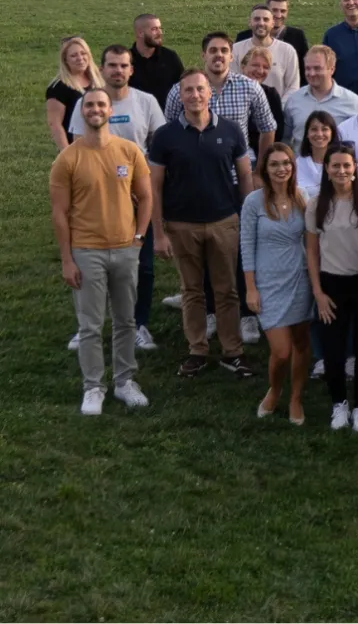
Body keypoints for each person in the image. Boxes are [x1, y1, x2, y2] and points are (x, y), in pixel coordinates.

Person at [50, 87, 153, 415]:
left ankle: (124, 382)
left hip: (125, 249)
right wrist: (67, 259)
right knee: (91, 326)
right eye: (89, 105)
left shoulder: (129, 150)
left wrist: (139, 238)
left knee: (125, 320)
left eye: (101, 105)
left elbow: (147, 197)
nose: (95, 110)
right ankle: (93, 387)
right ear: (81, 113)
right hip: (86, 251)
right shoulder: (68, 158)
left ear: (111, 111)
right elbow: (59, 213)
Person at [149, 69, 255, 379]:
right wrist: (159, 233)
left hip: (224, 221)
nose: (195, 95)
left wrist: (246, 218)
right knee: (192, 291)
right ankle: (197, 350)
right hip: (182, 226)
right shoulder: (165, 136)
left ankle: (232, 351)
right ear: (180, 96)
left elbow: (245, 176)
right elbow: (154, 186)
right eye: (188, 91)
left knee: (227, 290)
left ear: (210, 93)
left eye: (200, 89)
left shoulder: (232, 130)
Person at [66, 45, 164, 354]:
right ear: (103, 68)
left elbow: (157, 148)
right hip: (94, 200)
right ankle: (87, 327)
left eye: (123, 65)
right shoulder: (88, 103)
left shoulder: (145, 102)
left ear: (131, 70)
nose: (117, 70)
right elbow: (77, 149)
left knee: (141, 265)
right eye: (112, 65)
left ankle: (139, 325)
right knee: (90, 266)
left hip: (136, 198)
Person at [306, 144, 358, 433]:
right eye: (335, 166)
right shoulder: (316, 204)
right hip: (331, 284)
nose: (341, 171)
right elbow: (312, 252)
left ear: (355, 168)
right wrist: (318, 293)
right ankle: (339, 402)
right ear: (326, 169)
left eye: (346, 166)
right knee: (333, 350)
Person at [241, 144, 315, 425]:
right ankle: (275, 389)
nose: (281, 169)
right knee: (281, 351)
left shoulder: (302, 197)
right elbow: (246, 246)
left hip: (299, 278)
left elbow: (310, 241)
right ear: (265, 169)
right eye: (274, 164)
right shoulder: (253, 202)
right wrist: (250, 287)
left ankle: (296, 397)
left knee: (300, 342)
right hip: (268, 283)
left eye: (286, 163)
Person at [162, 32, 276, 164]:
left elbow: (268, 128)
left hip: (237, 172)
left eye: (224, 50)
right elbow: (168, 131)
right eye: (213, 50)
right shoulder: (180, 90)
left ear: (231, 57)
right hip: (193, 170)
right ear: (204, 55)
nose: (219, 55)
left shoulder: (250, 87)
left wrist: (260, 170)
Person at [281, 45, 358, 147]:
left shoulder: (353, 103)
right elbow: (285, 139)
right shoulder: (294, 100)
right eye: (308, 68)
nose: (312, 73)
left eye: (317, 68)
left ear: (331, 69)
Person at [235, 0, 310, 84]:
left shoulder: (296, 36)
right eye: (274, 10)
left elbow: (303, 70)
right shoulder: (243, 37)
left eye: (283, 11)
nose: (278, 15)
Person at [47, 35, 105, 151]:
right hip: (76, 148)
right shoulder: (59, 87)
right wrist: (67, 153)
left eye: (83, 53)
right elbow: (55, 125)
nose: (80, 58)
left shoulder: (100, 79)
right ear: (65, 60)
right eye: (73, 55)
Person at [232, 5, 300, 98]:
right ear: (250, 23)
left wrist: (279, 107)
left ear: (272, 23)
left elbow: (293, 86)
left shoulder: (287, 50)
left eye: (266, 19)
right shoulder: (236, 49)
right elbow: (232, 83)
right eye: (256, 19)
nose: (261, 23)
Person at [239, 46, 287, 159]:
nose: (260, 71)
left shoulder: (271, 94)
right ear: (243, 66)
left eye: (265, 67)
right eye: (255, 65)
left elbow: (278, 132)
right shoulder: (231, 92)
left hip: (261, 156)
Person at [129, 13, 184, 106]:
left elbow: (182, 87)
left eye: (160, 28)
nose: (160, 33)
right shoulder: (126, 60)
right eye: (154, 29)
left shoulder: (170, 57)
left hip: (165, 117)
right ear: (140, 33)